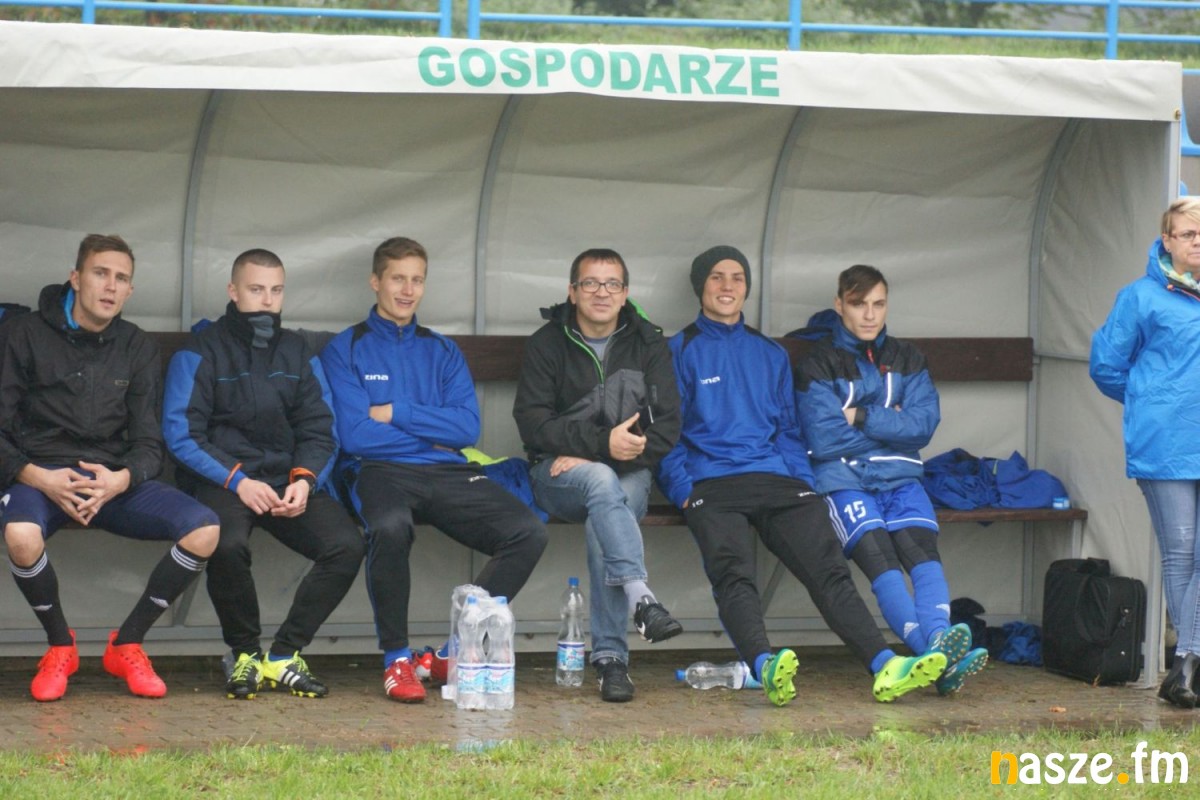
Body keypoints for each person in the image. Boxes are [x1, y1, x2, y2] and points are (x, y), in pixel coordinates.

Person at [657, 245, 946, 706]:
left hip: (779, 480)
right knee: (734, 573)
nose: (728, 286)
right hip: (712, 483)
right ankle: (764, 665)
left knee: (829, 569)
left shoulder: (769, 352)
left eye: (737, 277)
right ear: (700, 286)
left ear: (747, 287)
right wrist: (684, 490)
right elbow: (665, 433)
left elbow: (790, 430)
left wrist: (802, 482)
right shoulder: (677, 351)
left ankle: (885, 665)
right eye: (716, 277)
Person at [320, 236, 549, 703]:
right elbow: (356, 435)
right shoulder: (345, 348)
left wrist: (395, 411)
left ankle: (451, 653)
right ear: (375, 281)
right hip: (378, 470)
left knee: (528, 532)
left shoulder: (442, 350)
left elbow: (466, 428)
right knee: (390, 526)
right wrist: (429, 432)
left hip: (445, 470)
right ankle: (397, 659)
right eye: (398, 279)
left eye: (417, 280)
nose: (408, 290)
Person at [0, 234, 220, 701]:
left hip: (111, 482)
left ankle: (127, 644)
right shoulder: (23, 334)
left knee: (204, 529)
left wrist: (121, 479)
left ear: (130, 290)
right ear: (76, 278)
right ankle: (60, 647)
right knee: (20, 535)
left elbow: (149, 443)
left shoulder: (136, 345)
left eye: (121, 278)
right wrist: (37, 476)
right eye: (100, 273)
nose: (110, 286)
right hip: (41, 477)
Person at [162, 249, 365, 701]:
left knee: (347, 545)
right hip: (223, 481)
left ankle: (284, 655)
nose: (267, 300)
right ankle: (245, 655)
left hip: (284, 481)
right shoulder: (201, 350)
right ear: (233, 292)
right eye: (256, 289)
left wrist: (305, 480)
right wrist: (238, 481)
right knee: (226, 542)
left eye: (276, 290)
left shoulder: (297, 351)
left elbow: (320, 428)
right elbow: (182, 434)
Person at [794, 264, 989, 696]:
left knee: (922, 553)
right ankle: (934, 655)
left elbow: (923, 425)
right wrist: (891, 422)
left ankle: (936, 644)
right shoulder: (818, 363)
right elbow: (823, 437)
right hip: (843, 477)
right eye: (859, 304)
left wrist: (860, 415)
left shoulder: (906, 357)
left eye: (878, 304)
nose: (869, 314)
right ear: (839, 305)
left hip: (901, 475)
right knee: (880, 558)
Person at [513, 247, 684, 703]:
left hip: (627, 471)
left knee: (604, 507)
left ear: (625, 294)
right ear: (572, 291)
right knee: (602, 489)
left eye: (612, 284)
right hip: (555, 474)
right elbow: (532, 423)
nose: (601, 293)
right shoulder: (547, 343)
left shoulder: (648, 342)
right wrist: (599, 445)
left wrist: (605, 456)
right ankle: (639, 603)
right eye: (590, 283)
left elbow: (667, 425)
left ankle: (611, 662)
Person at [1090, 197, 1200, 709]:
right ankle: (1189, 668)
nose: (1197, 242)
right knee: (1181, 552)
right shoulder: (1139, 297)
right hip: (1165, 442)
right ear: (1167, 241)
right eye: (1188, 234)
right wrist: (1149, 402)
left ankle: (1187, 662)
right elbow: (1106, 366)